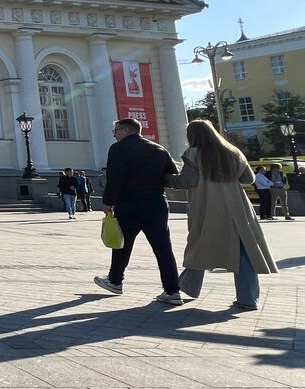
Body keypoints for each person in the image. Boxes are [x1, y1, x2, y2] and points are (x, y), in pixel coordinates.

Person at [166, 120, 277, 310]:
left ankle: (186, 287)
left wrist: (165, 178)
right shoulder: (233, 152)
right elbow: (248, 179)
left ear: (191, 135)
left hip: (208, 206)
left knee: (199, 245)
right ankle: (248, 298)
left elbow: (187, 181)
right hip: (238, 207)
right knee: (243, 251)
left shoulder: (193, 154)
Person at [94, 118, 181, 303]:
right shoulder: (159, 148)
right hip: (157, 204)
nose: (115, 135)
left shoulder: (118, 148)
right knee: (163, 248)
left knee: (122, 244)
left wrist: (108, 202)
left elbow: (115, 178)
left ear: (125, 130)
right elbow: (172, 173)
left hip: (129, 204)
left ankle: (115, 281)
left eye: (116, 131)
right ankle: (172, 291)